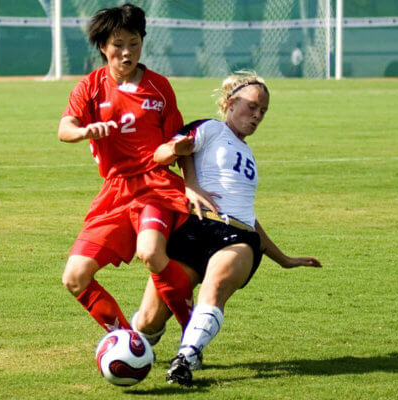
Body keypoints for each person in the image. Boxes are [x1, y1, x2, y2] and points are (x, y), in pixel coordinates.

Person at [131, 71, 322, 386]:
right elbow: (162, 154)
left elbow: (248, 218)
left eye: (263, 111)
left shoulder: (248, 155)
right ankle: (134, 348)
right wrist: (181, 154)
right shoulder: (210, 129)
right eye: (252, 107)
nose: (257, 116)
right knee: (149, 321)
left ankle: (186, 358)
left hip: (238, 238)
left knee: (214, 287)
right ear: (231, 103)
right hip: (194, 232)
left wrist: (284, 259)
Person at [58, 3, 196, 338]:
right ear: (103, 47)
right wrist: (83, 132)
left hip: (156, 186)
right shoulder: (89, 87)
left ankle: (193, 333)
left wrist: (191, 186)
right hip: (115, 191)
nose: (126, 52)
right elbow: (65, 128)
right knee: (75, 276)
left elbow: (179, 145)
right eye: (118, 44)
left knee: (150, 252)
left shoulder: (160, 87)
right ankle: (125, 339)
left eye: (134, 43)